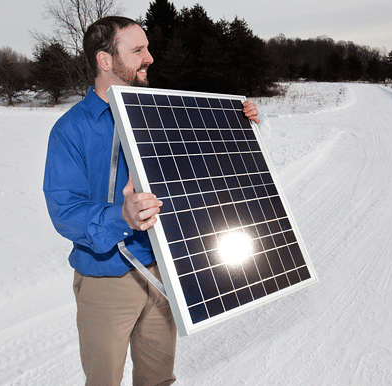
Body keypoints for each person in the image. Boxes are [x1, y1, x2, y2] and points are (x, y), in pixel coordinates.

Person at [43, 16, 260, 386]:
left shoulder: (161, 113)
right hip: (106, 277)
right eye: (138, 50)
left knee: (159, 378)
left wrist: (235, 125)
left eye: (148, 48)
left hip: (163, 268)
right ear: (105, 60)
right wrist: (120, 216)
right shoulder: (71, 130)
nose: (150, 58)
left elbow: (201, 171)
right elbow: (65, 211)